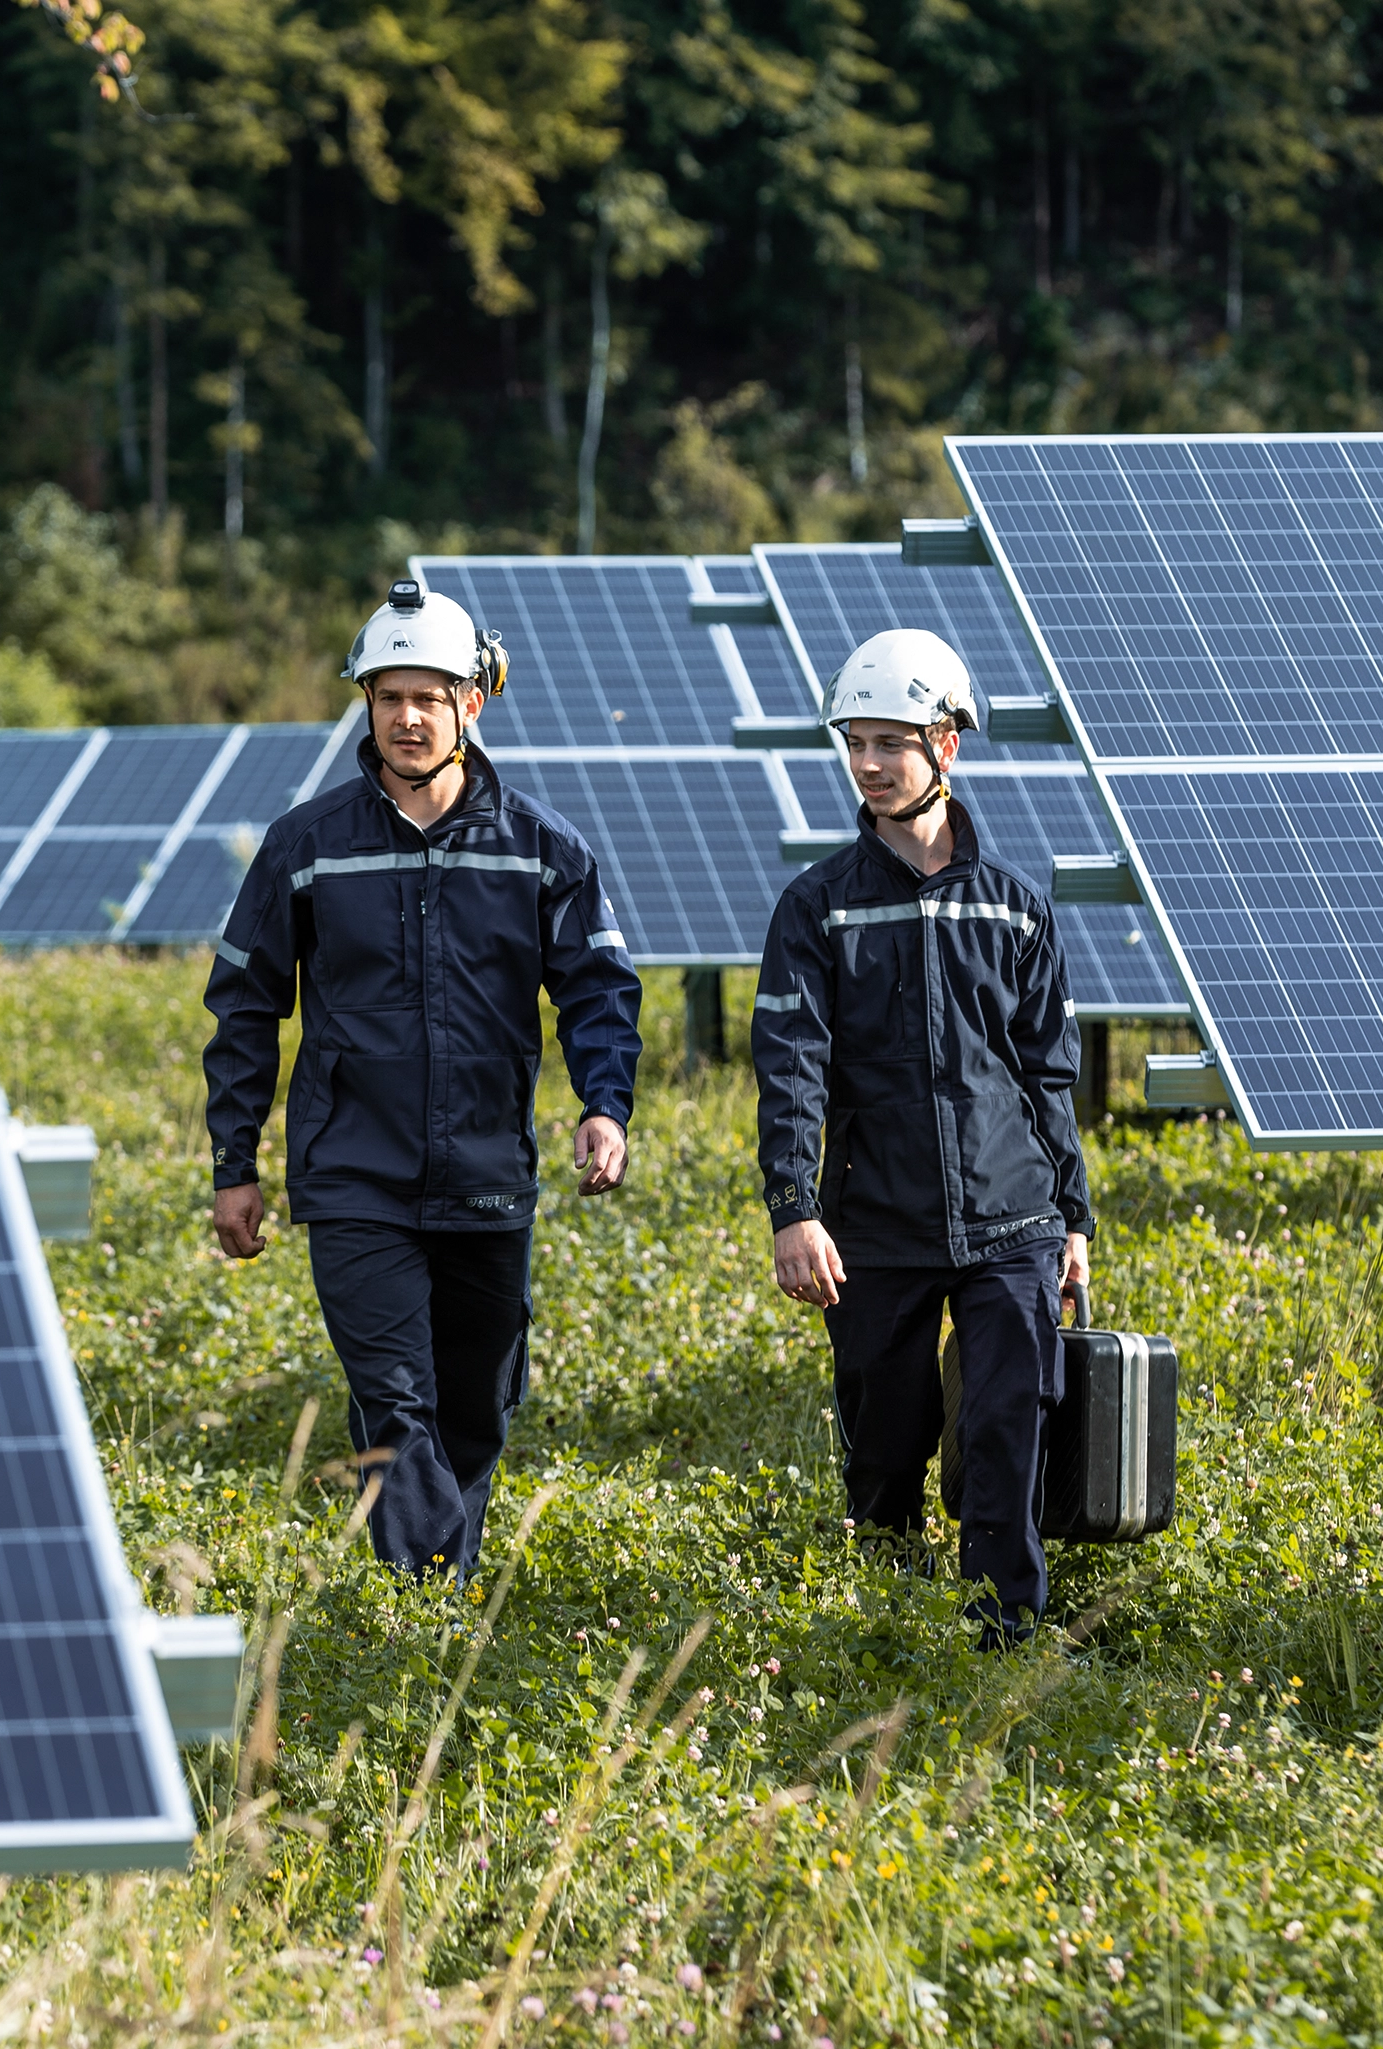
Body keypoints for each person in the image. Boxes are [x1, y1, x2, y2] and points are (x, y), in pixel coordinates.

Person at [203, 580, 643, 1581]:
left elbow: (599, 991)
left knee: (475, 1408)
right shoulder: (305, 848)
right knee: (395, 1399)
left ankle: (437, 1592)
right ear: (365, 703)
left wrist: (604, 1105)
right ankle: (423, 1602)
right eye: (387, 694)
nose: (406, 716)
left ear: (470, 703)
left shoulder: (544, 850)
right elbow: (243, 1008)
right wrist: (236, 1161)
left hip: (489, 1172)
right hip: (352, 1172)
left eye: (429, 696)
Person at [752, 627, 1093, 1645]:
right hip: (875, 1227)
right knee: (885, 1451)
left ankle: (1005, 1638)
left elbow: (1048, 1075)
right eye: (854, 741)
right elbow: (789, 1069)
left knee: (1004, 1427)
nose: (865, 763)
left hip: (1012, 1218)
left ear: (947, 744)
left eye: (889, 741)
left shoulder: (1017, 912)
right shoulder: (816, 908)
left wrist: (1071, 1215)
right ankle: (887, 1628)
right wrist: (793, 1208)